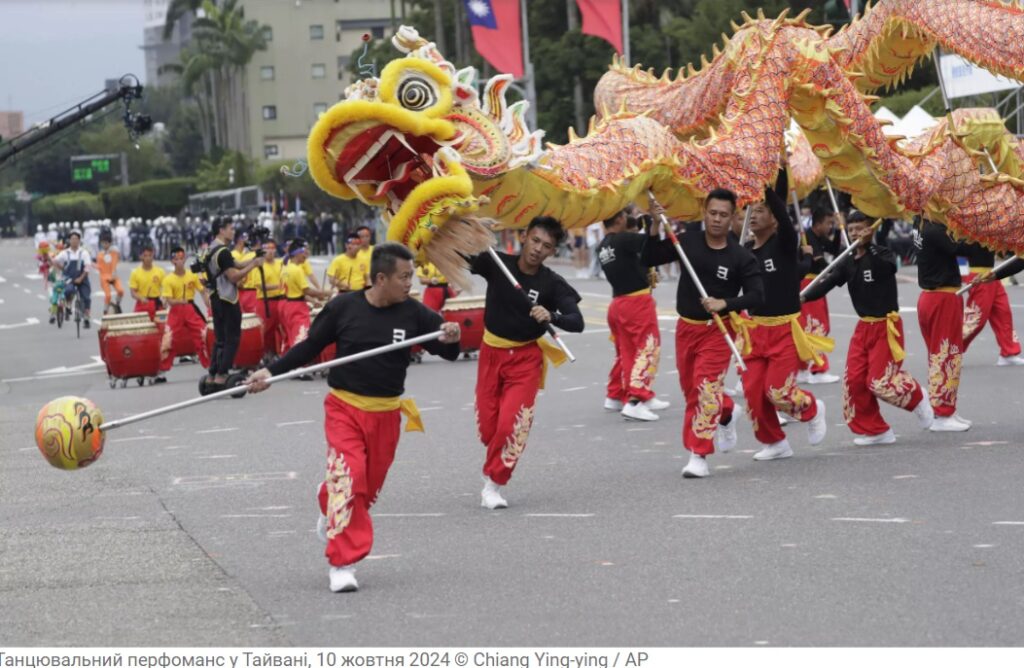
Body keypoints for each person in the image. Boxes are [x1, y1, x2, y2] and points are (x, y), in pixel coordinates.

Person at [247, 243, 462, 593]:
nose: (411, 283)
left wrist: (452, 336)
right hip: (344, 408)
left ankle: (327, 497)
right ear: (381, 278)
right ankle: (342, 563)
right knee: (351, 478)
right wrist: (269, 373)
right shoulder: (343, 307)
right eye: (404, 277)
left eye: (411, 276)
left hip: (386, 414)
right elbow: (308, 347)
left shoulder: (414, 313)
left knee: (365, 490)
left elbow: (448, 351)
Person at [644, 188, 763, 479]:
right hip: (687, 328)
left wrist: (726, 303)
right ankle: (727, 411)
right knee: (691, 391)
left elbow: (758, 295)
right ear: (704, 213)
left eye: (724, 215)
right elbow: (648, 256)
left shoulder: (740, 256)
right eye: (712, 213)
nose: (717, 220)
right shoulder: (688, 241)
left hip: (718, 331)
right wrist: (656, 223)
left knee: (705, 389)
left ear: (733, 217)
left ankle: (698, 453)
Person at [471, 216, 584, 509]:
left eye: (546, 246)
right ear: (524, 237)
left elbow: (577, 321)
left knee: (513, 425)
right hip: (490, 354)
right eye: (535, 241)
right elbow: (459, 254)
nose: (538, 249)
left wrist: (553, 316)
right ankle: (495, 458)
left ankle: (494, 483)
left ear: (552, 251)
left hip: (525, 361)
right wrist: (471, 227)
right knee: (489, 428)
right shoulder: (497, 263)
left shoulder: (553, 284)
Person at [802, 214, 934, 443]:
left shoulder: (882, 253)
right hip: (863, 328)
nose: (854, 233)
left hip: (886, 326)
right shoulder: (847, 261)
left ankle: (917, 397)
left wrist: (869, 246)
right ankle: (876, 430)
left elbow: (888, 268)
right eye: (851, 229)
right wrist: (800, 298)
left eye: (859, 228)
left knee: (879, 382)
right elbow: (827, 284)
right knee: (853, 382)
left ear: (870, 230)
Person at [737, 168, 830, 462]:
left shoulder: (784, 243)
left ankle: (812, 409)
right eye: (751, 211)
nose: (753, 215)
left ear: (774, 219)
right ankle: (774, 442)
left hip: (783, 330)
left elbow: (783, 213)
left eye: (761, 211)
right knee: (753, 392)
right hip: (755, 332)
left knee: (777, 391)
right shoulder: (746, 250)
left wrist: (770, 179)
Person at [596, 208, 669, 421]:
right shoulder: (623, 239)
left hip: (618, 302)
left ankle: (627, 396)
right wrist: (651, 221)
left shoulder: (603, 246)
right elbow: (651, 243)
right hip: (636, 302)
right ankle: (636, 398)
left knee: (628, 354)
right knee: (648, 347)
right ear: (619, 218)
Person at [914, 219, 971, 431]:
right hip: (942, 296)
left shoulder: (919, 223)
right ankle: (942, 413)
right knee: (947, 355)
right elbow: (963, 249)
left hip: (931, 297)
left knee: (940, 355)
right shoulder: (935, 229)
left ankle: (947, 408)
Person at [203, 218, 265, 391]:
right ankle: (222, 375)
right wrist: (253, 265)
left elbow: (235, 264)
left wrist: (254, 256)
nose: (233, 231)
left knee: (220, 339)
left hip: (216, 298)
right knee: (232, 339)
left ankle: (212, 375)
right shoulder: (222, 252)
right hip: (227, 299)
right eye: (230, 228)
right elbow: (234, 276)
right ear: (221, 230)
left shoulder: (211, 248)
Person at [959, 241, 1024, 366]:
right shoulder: (971, 227)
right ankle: (952, 351)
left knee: (1003, 313)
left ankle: (1008, 352)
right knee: (975, 319)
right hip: (979, 275)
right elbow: (959, 249)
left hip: (991, 274)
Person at [798, 208, 842, 384]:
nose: (829, 226)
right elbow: (821, 263)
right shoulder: (807, 238)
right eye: (828, 223)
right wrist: (837, 273)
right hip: (809, 284)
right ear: (817, 224)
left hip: (813, 282)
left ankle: (802, 368)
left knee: (806, 327)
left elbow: (834, 249)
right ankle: (817, 370)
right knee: (815, 325)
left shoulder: (818, 236)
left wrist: (839, 229)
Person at [160, 246, 211, 371]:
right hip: (176, 311)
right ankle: (162, 368)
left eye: (182, 258)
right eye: (177, 259)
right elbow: (169, 300)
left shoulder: (191, 275)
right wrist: (178, 301)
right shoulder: (168, 280)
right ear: (173, 261)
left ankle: (209, 364)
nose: (180, 261)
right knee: (169, 338)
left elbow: (202, 291)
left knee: (202, 334)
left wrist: (208, 305)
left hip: (190, 309)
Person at [280, 240, 331, 352]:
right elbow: (306, 290)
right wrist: (324, 293)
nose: (306, 254)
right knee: (300, 338)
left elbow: (297, 292)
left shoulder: (286, 268)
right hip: (297, 308)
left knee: (290, 337)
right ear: (296, 253)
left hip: (288, 306)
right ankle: (299, 365)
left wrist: (313, 300)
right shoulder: (297, 270)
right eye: (304, 252)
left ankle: (288, 364)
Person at [52, 230, 93, 328]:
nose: (74, 241)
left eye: (76, 239)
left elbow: (87, 267)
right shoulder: (65, 253)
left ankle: (86, 317)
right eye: (72, 239)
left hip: (82, 278)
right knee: (68, 291)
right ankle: (68, 306)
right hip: (69, 278)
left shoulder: (84, 253)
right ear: (69, 240)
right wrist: (62, 269)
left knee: (86, 298)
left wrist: (81, 278)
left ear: (79, 241)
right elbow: (55, 260)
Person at [255, 239, 285, 359]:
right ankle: (266, 354)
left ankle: (280, 352)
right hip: (266, 301)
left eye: (272, 248)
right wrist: (278, 285)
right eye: (267, 248)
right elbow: (259, 285)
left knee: (282, 328)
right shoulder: (259, 265)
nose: (270, 251)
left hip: (281, 299)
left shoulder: (280, 263)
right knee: (267, 330)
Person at [129, 245, 165, 321]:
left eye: (150, 255)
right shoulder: (135, 273)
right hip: (142, 304)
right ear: (141, 257)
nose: (148, 258)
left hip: (157, 304)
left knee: (163, 323)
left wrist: (164, 299)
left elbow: (166, 288)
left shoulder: (160, 272)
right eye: (145, 256)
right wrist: (141, 298)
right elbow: (133, 292)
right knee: (138, 326)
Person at [95, 231, 124, 315]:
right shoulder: (100, 255)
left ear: (110, 243)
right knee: (108, 295)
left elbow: (118, 254)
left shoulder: (114, 252)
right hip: (104, 277)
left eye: (107, 243)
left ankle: (117, 304)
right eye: (103, 243)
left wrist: (113, 249)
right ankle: (105, 310)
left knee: (121, 291)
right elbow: (99, 266)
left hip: (114, 276)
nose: (105, 245)